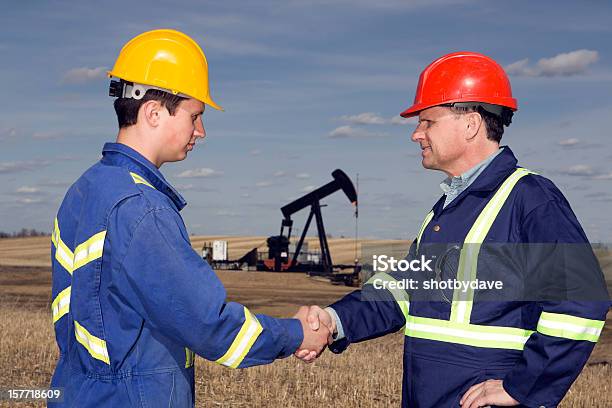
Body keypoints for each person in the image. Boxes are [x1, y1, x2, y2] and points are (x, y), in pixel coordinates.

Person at [295, 52, 610, 407]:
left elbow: (580, 300)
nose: (417, 134)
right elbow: (403, 291)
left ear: (471, 124)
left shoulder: (531, 198)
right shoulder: (448, 210)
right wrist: (334, 321)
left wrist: (523, 387)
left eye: (427, 121)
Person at [49, 29, 329, 407]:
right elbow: (208, 325)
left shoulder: (85, 190)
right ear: (152, 112)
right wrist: (297, 334)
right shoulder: (140, 207)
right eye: (195, 115)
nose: (201, 130)